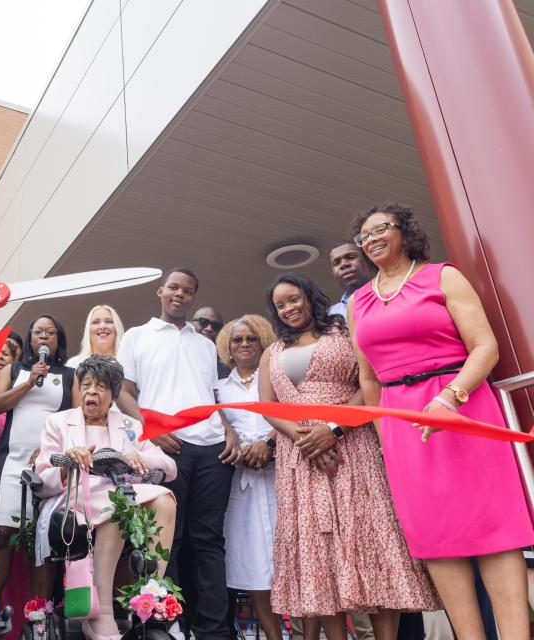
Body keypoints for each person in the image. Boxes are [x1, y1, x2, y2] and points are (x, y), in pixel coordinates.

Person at [349, 203, 534, 640]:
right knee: (437, 538)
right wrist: (387, 435)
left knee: (494, 530)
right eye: (364, 235)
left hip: (465, 410)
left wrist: (450, 398)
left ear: (405, 232)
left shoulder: (441, 276)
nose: (372, 239)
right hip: (403, 426)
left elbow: (484, 347)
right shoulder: (359, 302)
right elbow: (368, 379)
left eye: (382, 229)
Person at [260, 273, 439, 640]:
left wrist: (333, 429)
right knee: (320, 552)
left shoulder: (344, 333)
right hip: (300, 457)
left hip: (353, 447)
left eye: (294, 298)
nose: (289, 308)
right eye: (281, 305)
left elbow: (368, 385)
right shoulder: (272, 351)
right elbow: (267, 407)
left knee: (372, 539)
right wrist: (301, 438)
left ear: (310, 296)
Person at [115, 268, 239, 640]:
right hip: (168, 449)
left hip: (213, 448)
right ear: (160, 291)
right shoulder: (137, 336)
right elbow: (123, 392)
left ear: (193, 297)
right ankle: (168, 625)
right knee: (169, 539)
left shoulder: (205, 345)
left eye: (188, 290)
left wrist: (230, 431)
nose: (180, 295)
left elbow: (213, 396)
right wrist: (154, 430)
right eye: (173, 288)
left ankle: (213, 630)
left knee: (210, 540)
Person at [35, 355, 177, 640]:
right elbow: (42, 478)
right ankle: (100, 614)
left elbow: (170, 468)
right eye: (86, 384)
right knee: (119, 504)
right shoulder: (58, 422)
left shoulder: (130, 425)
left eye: (100, 387)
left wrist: (140, 455)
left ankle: (150, 595)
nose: (91, 392)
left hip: (123, 495)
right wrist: (67, 465)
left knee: (164, 499)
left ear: (112, 395)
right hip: (76, 498)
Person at [0, 315, 75, 596]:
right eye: (38, 332)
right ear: (30, 339)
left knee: (42, 540)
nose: (44, 337)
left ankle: (39, 617)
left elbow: (76, 417)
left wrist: (55, 448)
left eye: (50, 332)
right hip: (11, 463)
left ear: (58, 339)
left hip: (50, 465)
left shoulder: (70, 375)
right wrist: (28, 383)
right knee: (2, 537)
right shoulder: (13, 370)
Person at [213, 315, 280, 640]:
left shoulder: (274, 377)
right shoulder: (219, 389)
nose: (243, 345)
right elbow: (220, 430)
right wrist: (237, 446)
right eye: (237, 340)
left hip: (280, 479)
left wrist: (268, 443)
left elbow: (289, 416)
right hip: (240, 486)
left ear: (262, 341)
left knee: (290, 563)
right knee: (254, 569)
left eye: (250, 338)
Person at [328, 243, 373, 319]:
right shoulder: (330, 316)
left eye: (351, 257)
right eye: (336, 263)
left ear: (367, 261)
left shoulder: (391, 294)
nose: (344, 264)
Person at [193, 305, 231, 378]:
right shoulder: (177, 348)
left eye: (216, 326)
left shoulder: (225, 364)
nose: (209, 328)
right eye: (203, 322)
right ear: (191, 323)